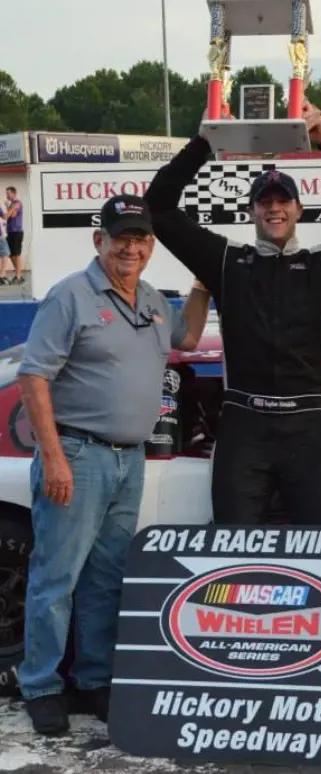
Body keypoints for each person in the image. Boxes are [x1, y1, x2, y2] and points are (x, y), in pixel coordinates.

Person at [144, 103, 321, 527]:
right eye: (264, 201)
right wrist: (205, 143)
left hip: (310, 430)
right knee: (235, 551)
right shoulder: (226, 262)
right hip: (244, 430)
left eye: (284, 200)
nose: (274, 208)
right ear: (251, 212)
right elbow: (159, 207)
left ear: (300, 210)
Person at [15, 194, 210, 735]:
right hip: (77, 455)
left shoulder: (148, 297)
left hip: (130, 460)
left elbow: (187, 337)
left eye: (140, 239)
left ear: (150, 247)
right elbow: (34, 377)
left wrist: (201, 287)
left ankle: (94, 678)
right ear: (99, 240)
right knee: (56, 577)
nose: (131, 247)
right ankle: (42, 685)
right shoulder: (70, 296)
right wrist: (53, 457)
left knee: (105, 578)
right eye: (121, 237)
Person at [4, 186, 24, 285]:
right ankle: (18, 273)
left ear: (13, 193)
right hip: (10, 232)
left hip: (17, 232)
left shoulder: (17, 203)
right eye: (6, 193)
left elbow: (10, 215)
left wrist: (7, 210)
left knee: (17, 254)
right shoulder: (11, 204)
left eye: (8, 193)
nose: (6, 195)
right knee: (10, 254)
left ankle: (18, 276)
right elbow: (8, 216)